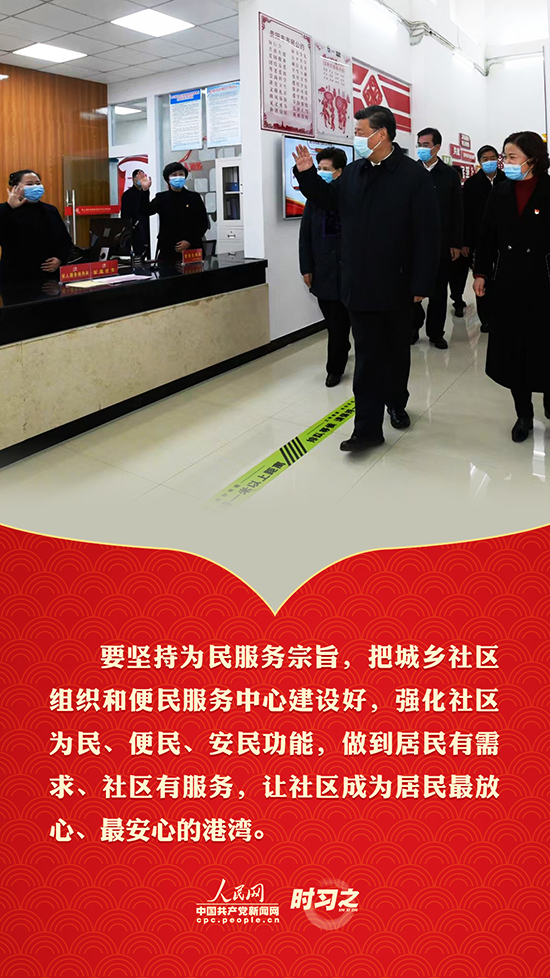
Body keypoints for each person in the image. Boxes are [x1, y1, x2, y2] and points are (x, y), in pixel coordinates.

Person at [293, 106, 440, 453]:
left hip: (397, 285)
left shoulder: (412, 176)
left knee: (396, 353)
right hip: (358, 285)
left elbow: (428, 234)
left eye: (360, 132)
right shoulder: (353, 173)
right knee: (368, 359)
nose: (356, 138)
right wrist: (308, 174)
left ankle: (397, 403)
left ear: (381, 134)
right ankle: (367, 429)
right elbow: (327, 201)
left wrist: (421, 284)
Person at [474, 131, 550, 443]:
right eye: (505, 156)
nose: (505, 162)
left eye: (511, 156)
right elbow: (486, 235)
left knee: (544, 346)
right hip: (508, 282)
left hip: (544, 282)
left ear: (532, 159)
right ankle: (523, 413)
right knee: (514, 350)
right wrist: (481, 273)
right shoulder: (501, 191)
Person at [299, 146, 351, 387]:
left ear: (339, 172)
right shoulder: (314, 201)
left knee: (338, 324)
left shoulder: (348, 197)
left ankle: (335, 369)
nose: (321, 172)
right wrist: (306, 268)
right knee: (332, 321)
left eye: (325, 169)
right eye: (318, 168)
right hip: (322, 271)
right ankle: (342, 347)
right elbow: (305, 236)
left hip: (346, 272)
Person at [411, 128, 464, 349]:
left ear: (437, 147)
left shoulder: (449, 175)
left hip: (441, 243)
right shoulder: (410, 171)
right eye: (419, 145)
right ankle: (413, 327)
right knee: (411, 289)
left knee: (439, 291)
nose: (421, 149)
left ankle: (435, 333)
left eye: (426, 145)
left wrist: (456, 243)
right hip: (412, 243)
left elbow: (457, 210)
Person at [0, 169, 72, 284]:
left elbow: (65, 240)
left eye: (38, 183)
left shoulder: (50, 210)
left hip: (49, 277)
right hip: (15, 278)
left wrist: (60, 259)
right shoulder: (5, 210)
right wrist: (9, 207)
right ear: (15, 188)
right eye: (29, 184)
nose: (36, 187)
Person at [462, 145, 506, 333]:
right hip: (479, 239)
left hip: (504, 238)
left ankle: (502, 314)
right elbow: (465, 215)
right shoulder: (472, 184)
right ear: (479, 162)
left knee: (502, 277)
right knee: (482, 276)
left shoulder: (507, 180)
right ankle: (486, 318)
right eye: (485, 159)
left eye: (492, 158)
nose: (489, 162)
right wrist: (465, 242)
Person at [139, 162, 209, 264]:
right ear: (168, 179)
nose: (178, 177)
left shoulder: (194, 197)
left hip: (192, 249)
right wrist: (145, 190)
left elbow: (203, 223)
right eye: (174, 175)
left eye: (181, 174)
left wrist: (189, 241)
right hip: (168, 249)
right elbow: (144, 211)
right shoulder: (162, 198)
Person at [448, 164, 470, 317]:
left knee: (459, 274)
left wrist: (463, 242)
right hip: (444, 242)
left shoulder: (466, 194)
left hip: (461, 242)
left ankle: (458, 299)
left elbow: (467, 220)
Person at [121, 168, 150, 260]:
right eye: (138, 178)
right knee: (138, 253)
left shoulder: (145, 192)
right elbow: (125, 214)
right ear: (133, 179)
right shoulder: (127, 195)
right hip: (134, 228)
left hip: (146, 226)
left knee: (148, 252)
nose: (141, 180)